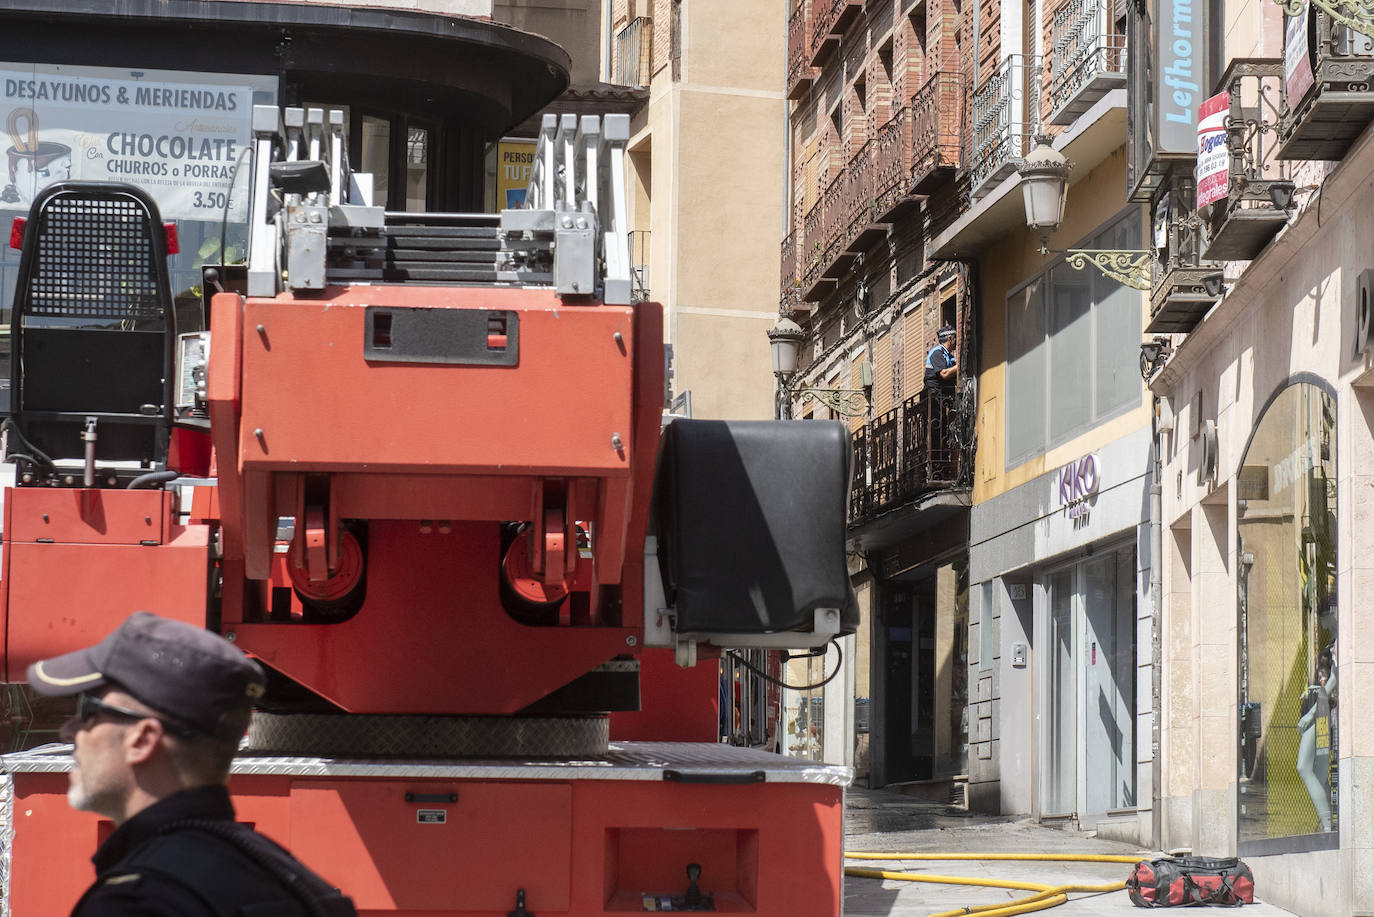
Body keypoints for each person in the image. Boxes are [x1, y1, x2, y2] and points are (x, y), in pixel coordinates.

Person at [27, 611, 357, 916]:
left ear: (142, 740)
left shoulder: (137, 904)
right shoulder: (292, 880)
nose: (69, 731)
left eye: (88, 711)